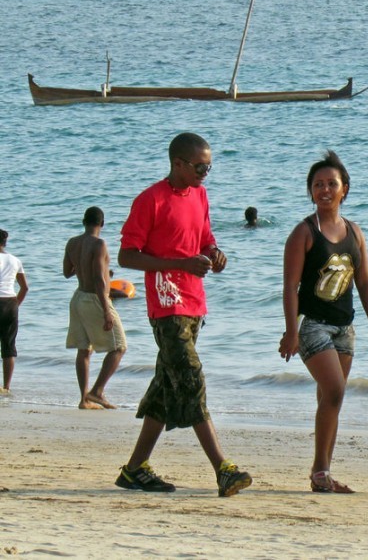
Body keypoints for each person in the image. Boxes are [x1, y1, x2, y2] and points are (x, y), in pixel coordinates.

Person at [116, 132, 252, 497]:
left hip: (194, 304)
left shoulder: (200, 195)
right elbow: (127, 256)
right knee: (191, 379)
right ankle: (223, 469)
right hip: (166, 306)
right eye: (200, 167)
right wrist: (179, 264)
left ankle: (134, 470)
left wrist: (215, 253)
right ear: (178, 163)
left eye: (209, 167)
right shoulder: (150, 200)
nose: (205, 173)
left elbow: (205, 239)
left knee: (166, 387)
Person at [279, 150, 368, 493]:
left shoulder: (355, 232)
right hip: (313, 325)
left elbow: (365, 282)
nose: (324, 190)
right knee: (335, 391)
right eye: (318, 185)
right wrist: (291, 331)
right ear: (311, 191)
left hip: (345, 328)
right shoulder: (304, 232)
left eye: (331, 184)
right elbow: (290, 286)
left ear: (344, 189)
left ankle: (322, 472)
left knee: (330, 398)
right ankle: (320, 470)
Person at [63, 206, 127, 410]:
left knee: (84, 350)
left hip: (78, 297)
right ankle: (97, 391)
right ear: (102, 224)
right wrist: (106, 310)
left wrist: (85, 266)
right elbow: (99, 279)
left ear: (84, 222)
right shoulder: (99, 244)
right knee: (119, 347)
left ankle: (84, 399)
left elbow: (67, 272)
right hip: (95, 299)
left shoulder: (72, 243)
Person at [0, 229, 28, 394]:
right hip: (10, 303)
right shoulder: (15, 260)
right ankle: (6, 386)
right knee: (9, 346)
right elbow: (24, 287)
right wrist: (16, 305)